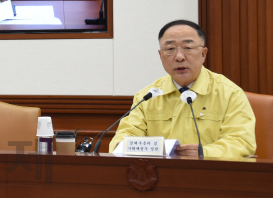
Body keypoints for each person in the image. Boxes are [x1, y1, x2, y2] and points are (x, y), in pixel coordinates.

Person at [109, 20, 256, 158]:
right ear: (160, 55)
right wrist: (123, 146)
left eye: (188, 48)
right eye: (170, 49)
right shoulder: (148, 96)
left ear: (203, 54)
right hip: (160, 178)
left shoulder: (229, 93)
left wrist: (203, 152)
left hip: (212, 176)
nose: (179, 57)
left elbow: (242, 142)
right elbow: (122, 139)